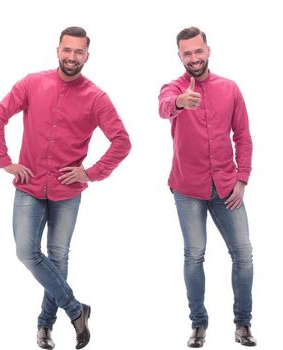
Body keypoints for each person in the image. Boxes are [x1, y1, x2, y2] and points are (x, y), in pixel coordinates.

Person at [0, 26, 131, 349]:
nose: (72, 57)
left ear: (87, 56)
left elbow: (122, 142)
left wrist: (90, 173)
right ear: (57, 50)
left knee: (58, 256)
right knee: (26, 251)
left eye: (79, 52)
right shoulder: (33, 83)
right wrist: (4, 160)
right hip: (29, 185)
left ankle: (44, 326)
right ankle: (77, 310)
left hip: (68, 192)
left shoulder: (96, 98)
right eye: (67, 50)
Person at [158, 26, 256, 348]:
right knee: (194, 255)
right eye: (187, 53)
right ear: (180, 56)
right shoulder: (173, 89)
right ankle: (198, 325)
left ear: (208, 51)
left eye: (198, 51)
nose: (194, 58)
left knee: (243, 255)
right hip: (188, 189)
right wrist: (181, 102)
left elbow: (242, 137)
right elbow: (164, 106)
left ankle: (243, 325)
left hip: (227, 187)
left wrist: (242, 179)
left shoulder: (230, 89)